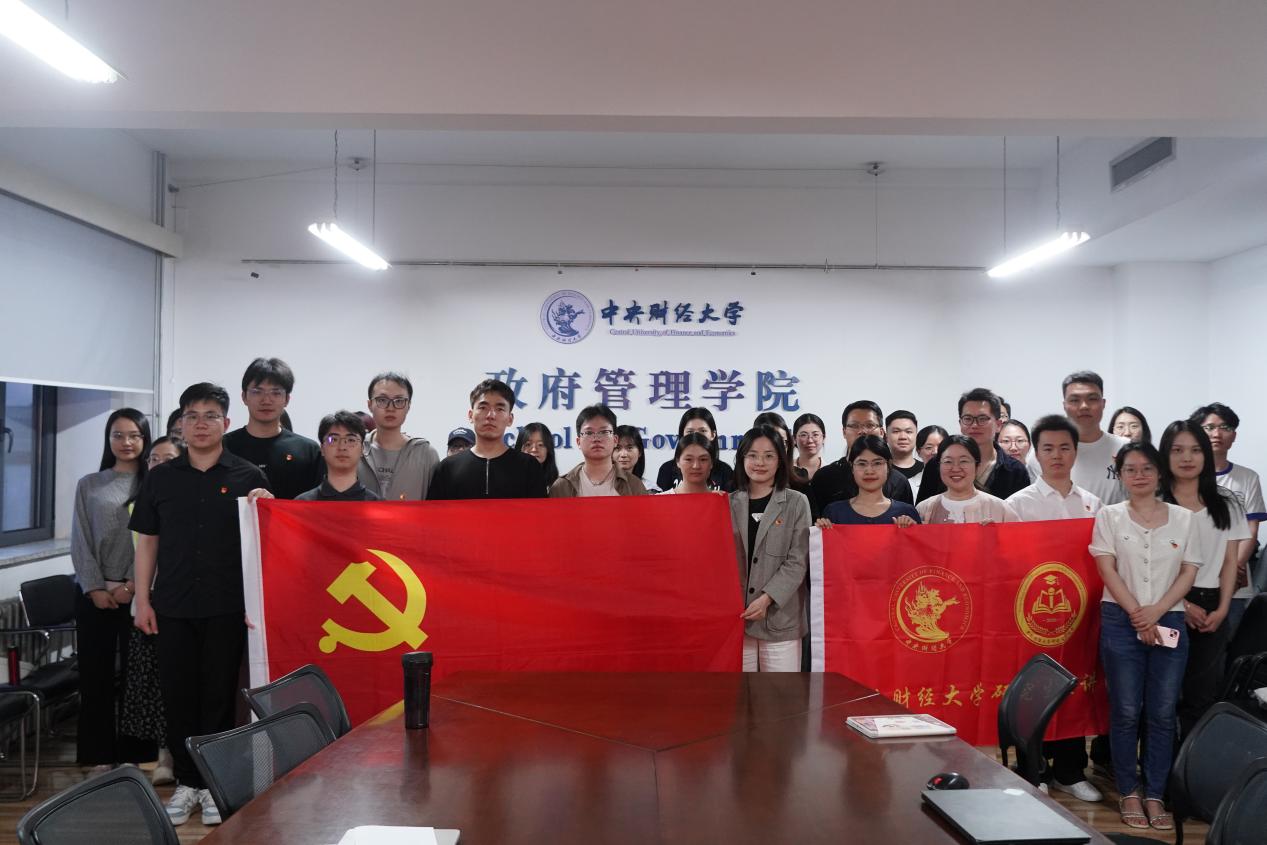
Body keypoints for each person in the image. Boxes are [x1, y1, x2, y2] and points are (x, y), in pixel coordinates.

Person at [130, 383, 270, 826]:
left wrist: (268, 509)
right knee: (178, 697)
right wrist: (142, 600)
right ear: (181, 425)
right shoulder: (161, 477)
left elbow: (265, 545)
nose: (201, 424)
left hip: (227, 606)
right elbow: (147, 543)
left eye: (211, 415)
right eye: (192, 416)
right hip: (171, 605)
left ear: (226, 423)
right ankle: (187, 783)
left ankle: (214, 785)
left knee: (218, 698)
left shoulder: (249, 476)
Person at [1090, 442, 1201, 832]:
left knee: (1162, 712)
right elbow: (1106, 569)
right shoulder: (1109, 516)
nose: (1139, 476)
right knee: (1125, 711)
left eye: (1147, 469)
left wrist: (1156, 612)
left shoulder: (1185, 519)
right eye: (1130, 470)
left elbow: (1189, 571)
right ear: (1120, 475)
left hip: (1169, 618)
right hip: (1121, 619)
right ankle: (1128, 790)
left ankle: (1155, 793)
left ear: (1160, 473)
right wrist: (1139, 615)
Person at [1005, 415, 1103, 802]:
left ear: (1076, 452)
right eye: (1048, 448)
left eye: (1065, 448)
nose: (1057, 455)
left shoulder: (1093, 504)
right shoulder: (1018, 505)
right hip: (1032, 614)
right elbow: (1010, 564)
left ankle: (1070, 770)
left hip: (1079, 613)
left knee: (1075, 686)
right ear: (1036, 453)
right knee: (1033, 689)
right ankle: (1034, 770)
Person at [71, 408, 153, 772]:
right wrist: (95, 587)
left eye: (134, 435)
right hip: (95, 595)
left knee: (137, 679)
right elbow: (80, 540)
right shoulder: (90, 484)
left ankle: (137, 755)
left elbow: (154, 541)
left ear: (145, 438)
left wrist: (133, 585)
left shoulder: (153, 484)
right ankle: (97, 755)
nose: (126, 442)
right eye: (118, 435)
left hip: (139, 596)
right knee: (95, 677)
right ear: (108, 440)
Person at [1158, 420, 1247, 737]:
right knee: (1163, 695)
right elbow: (1148, 567)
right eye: (1177, 450)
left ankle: (1189, 764)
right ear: (1165, 455)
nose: (1187, 457)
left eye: (1195, 450)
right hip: (1165, 606)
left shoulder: (1227, 502)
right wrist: (1182, 604)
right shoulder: (1154, 502)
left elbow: (1230, 561)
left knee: (1202, 694)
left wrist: (1222, 609)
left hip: (1212, 606)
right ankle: (1160, 764)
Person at [121, 436, 184, 787]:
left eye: (168, 458)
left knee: (179, 682)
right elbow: (132, 552)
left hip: (180, 599)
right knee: (152, 685)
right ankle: (160, 755)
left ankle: (178, 757)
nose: (160, 465)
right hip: (147, 600)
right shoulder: (138, 503)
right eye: (154, 459)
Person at [729, 425, 810, 671]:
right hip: (737, 619)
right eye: (752, 455)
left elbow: (798, 561)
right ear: (742, 459)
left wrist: (766, 599)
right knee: (739, 692)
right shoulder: (727, 503)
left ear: (780, 460)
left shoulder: (797, 502)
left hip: (780, 619)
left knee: (780, 692)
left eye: (768, 456)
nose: (760, 463)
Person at [1189, 402, 1266, 626]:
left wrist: (1232, 569)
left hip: (1234, 583)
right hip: (1191, 577)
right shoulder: (1184, 477)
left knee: (1228, 639)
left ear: (1234, 436)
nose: (1217, 434)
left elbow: (1251, 529)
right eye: (1209, 427)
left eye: (1225, 427)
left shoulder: (1247, 477)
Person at [223, 357, 323, 500]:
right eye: (257, 392)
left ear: (287, 399)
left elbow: (318, 504)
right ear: (244, 397)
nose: (266, 400)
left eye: (276, 393)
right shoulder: (224, 446)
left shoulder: (308, 451)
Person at [427, 379, 546, 500]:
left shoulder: (529, 467)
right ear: (470, 415)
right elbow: (434, 511)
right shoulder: (447, 468)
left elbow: (540, 511)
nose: (491, 415)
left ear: (510, 419)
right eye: (483, 407)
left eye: (500, 409)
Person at [1029, 371, 1128, 505]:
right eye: (1075, 400)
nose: (1084, 406)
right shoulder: (1043, 455)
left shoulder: (1125, 449)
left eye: (1092, 399)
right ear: (1064, 405)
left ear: (1103, 403)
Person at [916, 388, 1028, 504]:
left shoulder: (1016, 471)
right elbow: (923, 511)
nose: (974, 425)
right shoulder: (937, 465)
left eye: (982, 419)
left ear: (998, 425)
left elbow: (1020, 513)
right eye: (968, 419)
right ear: (960, 423)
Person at [811, 401, 914, 510]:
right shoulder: (824, 478)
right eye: (854, 426)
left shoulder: (899, 482)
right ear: (844, 432)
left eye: (870, 425)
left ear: (881, 432)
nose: (862, 431)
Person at [357, 372, 440, 501]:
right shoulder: (356, 449)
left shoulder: (425, 454)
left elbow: (437, 506)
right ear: (369, 405)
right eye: (382, 400)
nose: (391, 408)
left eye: (399, 401)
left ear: (408, 406)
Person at [916, 435, 1019, 524]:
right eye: (948, 461)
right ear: (939, 467)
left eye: (963, 461)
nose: (955, 468)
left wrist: (998, 534)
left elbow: (1018, 538)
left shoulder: (1000, 508)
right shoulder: (924, 509)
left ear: (977, 466)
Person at [818, 436, 920, 526]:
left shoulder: (906, 513)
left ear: (888, 466)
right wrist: (823, 531)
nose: (869, 471)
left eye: (877, 463)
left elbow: (918, 542)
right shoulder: (834, 513)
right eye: (862, 464)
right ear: (852, 467)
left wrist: (912, 530)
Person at [550, 405, 647, 497]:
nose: (596, 438)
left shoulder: (634, 485)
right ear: (578, 442)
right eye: (589, 433)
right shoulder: (561, 487)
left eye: (604, 432)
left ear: (615, 440)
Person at [293, 412, 380, 501]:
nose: (342, 447)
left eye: (351, 440)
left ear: (362, 449)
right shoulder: (302, 503)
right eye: (333, 439)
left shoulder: (376, 504)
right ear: (322, 448)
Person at [655, 407, 735, 491]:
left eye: (703, 431)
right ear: (682, 435)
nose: (696, 436)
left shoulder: (725, 471)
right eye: (690, 432)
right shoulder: (667, 469)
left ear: (713, 434)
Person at [515, 422, 560, 490]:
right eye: (528, 444)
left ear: (548, 449)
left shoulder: (558, 485)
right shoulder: (508, 481)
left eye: (540, 445)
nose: (534, 449)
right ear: (519, 449)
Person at [613, 424, 656, 491]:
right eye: (617, 448)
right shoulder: (600, 486)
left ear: (640, 452)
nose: (623, 455)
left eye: (629, 448)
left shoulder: (650, 488)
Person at [909, 424, 948, 500]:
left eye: (940, 446)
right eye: (929, 447)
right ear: (918, 451)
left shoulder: (959, 478)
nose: (935, 452)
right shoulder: (910, 485)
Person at [884, 410, 923, 479]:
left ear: (916, 436)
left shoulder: (926, 469)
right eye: (896, 431)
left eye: (908, 432)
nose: (903, 437)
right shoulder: (879, 469)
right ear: (886, 436)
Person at [791, 413, 827, 482]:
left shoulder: (831, 472)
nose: (810, 440)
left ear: (824, 437)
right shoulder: (785, 471)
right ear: (794, 439)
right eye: (803, 435)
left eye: (815, 435)